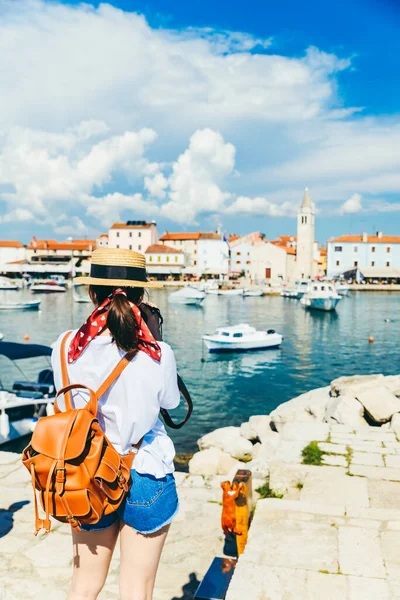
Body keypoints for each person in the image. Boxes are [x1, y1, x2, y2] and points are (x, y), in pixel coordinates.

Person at [51, 248, 180, 600]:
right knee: (137, 588)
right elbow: (171, 404)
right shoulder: (158, 352)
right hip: (145, 471)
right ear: (141, 296)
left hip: (86, 472)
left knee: (83, 584)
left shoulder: (64, 346)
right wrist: (156, 337)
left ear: (92, 293)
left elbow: (66, 403)